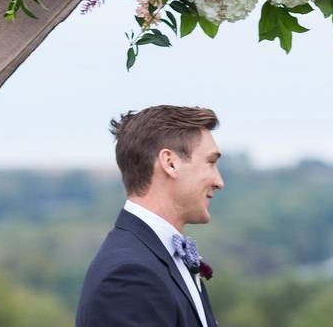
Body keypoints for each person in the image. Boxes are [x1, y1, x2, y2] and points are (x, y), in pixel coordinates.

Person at [76, 105, 224, 327]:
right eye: (210, 162)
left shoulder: (158, 257)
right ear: (170, 163)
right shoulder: (129, 275)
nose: (219, 181)